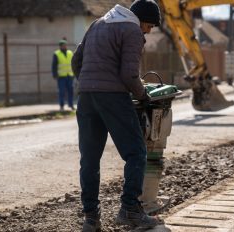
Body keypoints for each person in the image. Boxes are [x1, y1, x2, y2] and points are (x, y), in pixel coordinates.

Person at [71, 0, 161, 231]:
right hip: (112, 96)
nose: (148, 31)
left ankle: (91, 218)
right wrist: (143, 95)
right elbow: (129, 75)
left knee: (89, 159)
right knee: (136, 152)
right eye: (149, 26)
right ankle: (130, 210)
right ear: (140, 19)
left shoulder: (97, 24)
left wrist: (89, 82)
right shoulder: (131, 29)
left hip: (87, 97)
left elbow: (76, 61)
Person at [52, 39, 75, 111]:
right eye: (63, 45)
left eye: (65, 45)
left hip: (70, 75)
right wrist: (55, 74)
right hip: (61, 76)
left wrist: (74, 73)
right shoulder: (56, 54)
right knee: (61, 91)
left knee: (70, 91)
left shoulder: (70, 53)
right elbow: (54, 65)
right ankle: (61, 106)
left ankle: (71, 105)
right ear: (60, 46)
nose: (64, 46)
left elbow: (74, 63)